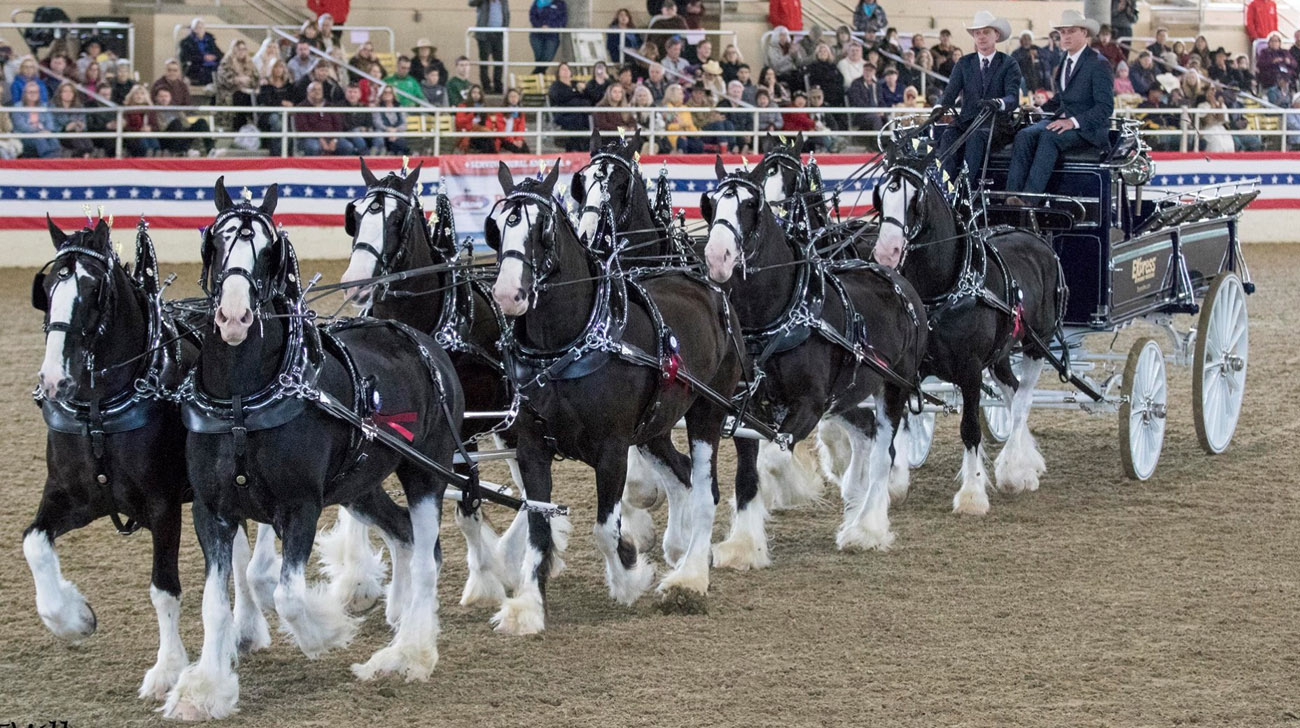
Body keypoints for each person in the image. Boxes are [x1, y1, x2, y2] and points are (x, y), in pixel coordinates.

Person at [1005, 10, 1114, 198]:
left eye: (1071, 31)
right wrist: (1041, 109)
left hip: (1088, 130)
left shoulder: (1098, 63)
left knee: (1049, 136)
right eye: (1063, 32)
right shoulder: (1065, 59)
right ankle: (1010, 197)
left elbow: (1105, 107)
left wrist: (1072, 122)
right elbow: (1061, 98)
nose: (1065, 36)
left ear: (1085, 33)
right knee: (1023, 135)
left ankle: (1029, 200)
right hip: (1062, 123)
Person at [933, 12, 1022, 180]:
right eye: (977, 33)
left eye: (986, 32)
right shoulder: (964, 63)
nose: (981, 37)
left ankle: (965, 188)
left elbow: (1013, 98)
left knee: (976, 136)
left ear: (996, 35)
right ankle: (945, 188)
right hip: (966, 122)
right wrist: (939, 108)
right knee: (948, 135)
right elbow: (949, 94)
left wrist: (999, 102)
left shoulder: (1009, 64)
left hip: (996, 126)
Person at [296, 81, 358, 156]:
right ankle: (314, 167)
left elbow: (338, 124)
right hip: (310, 138)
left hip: (331, 137)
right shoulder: (302, 107)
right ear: (308, 92)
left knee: (347, 146)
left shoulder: (330, 105)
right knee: (314, 147)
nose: (317, 92)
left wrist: (334, 140)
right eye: (314, 90)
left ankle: (338, 167)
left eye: (319, 90)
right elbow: (303, 127)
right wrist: (320, 139)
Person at [153, 86, 211, 156]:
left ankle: (211, 150)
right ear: (156, 98)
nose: (164, 99)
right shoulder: (154, 110)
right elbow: (160, 127)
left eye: (166, 96)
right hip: (165, 137)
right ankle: (182, 151)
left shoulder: (175, 109)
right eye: (161, 96)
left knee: (201, 122)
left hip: (181, 134)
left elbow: (186, 124)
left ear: (170, 97)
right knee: (176, 123)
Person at [11, 81, 61, 157]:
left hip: (43, 133)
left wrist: (47, 130)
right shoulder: (18, 107)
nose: (33, 94)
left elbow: (50, 122)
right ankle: (48, 160)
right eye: (30, 92)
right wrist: (39, 131)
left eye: (36, 92)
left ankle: (58, 158)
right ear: (25, 94)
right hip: (26, 136)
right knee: (40, 138)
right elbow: (21, 126)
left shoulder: (44, 106)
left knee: (53, 137)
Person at [216, 39, 258, 129]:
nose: (242, 52)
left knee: (256, 98)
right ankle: (239, 127)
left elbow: (256, 79)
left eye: (244, 49)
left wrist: (249, 81)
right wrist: (238, 80)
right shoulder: (225, 63)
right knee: (241, 98)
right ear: (234, 50)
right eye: (239, 49)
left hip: (248, 92)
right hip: (231, 92)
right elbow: (225, 80)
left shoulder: (250, 63)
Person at [469, 0, 509, 94]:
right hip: (484, 34)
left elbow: (506, 14)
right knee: (484, 61)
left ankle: (498, 85)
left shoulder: (504, 1)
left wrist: (506, 28)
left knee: (499, 61)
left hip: (498, 34)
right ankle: (486, 86)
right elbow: (471, 3)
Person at [548, 62, 589, 151]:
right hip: (563, 115)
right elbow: (560, 98)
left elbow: (587, 99)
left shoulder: (576, 84)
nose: (565, 71)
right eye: (562, 69)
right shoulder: (555, 86)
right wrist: (576, 93)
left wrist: (583, 90)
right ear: (558, 73)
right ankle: (576, 150)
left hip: (580, 114)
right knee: (577, 120)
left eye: (567, 69)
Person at [257, 58, 294, 154]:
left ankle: (285, 153)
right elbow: (266, 101)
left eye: (280, 67)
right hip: (269, 114)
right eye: (275, 67)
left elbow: (293, 100)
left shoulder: (289, 86)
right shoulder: (266, 85)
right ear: (271, 69)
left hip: (287, 114)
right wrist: (282, 103)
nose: (278, 69)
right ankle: (277, 154)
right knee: (277, 122)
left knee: (287, 124)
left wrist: (290, 105)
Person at [49, 81, 94, 158]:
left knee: (89, 145)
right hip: (61, 134)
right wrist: (66, 128)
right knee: (80, 144)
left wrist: (81, 125)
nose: (68, 94)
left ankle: (84, 158)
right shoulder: (53, 107)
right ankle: (82, 159)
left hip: (78, 133)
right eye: (65, 91)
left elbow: (84, 124)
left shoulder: (79, 107)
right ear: (60, 93)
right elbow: (52, 126)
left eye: (71, 91)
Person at [121, 84, 163, 157]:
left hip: (148, 135)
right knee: (143, 141)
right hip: (133, 136)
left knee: (154, 142)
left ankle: (155, 155)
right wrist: (139, 129)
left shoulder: (151, 110)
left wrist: (150, 128)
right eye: (136, 94)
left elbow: (156, 126)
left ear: (146, 96)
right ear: (132, 96)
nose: (139, 96)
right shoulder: (126, 110)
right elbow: (125, 126)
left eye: (142, 94)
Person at [179, 19, 222, 86]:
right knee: (214, 76)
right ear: (193, 30)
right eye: (196, 28)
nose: (199, 30)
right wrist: (203, 58)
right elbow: (185, 58)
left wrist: (215, 56)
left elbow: (220, 53)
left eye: (201, 27)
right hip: (198, 68)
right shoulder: (186, 43)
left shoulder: (210, 40)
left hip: (214, 66)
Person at [529, 0, 567, 73]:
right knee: (539, 59)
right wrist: (540, 26)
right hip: (537, 35)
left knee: (547, 58)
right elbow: (532, 16)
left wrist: (550, 26)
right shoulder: (537, 2)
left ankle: (532, 78)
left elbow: (563, 20)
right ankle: (539, 79)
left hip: (552, 36)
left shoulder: (560, 3)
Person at [456, 84, 496, 152]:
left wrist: (482, 123)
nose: (476, 95)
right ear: (470, 94)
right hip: (469, 134)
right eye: (474, 92)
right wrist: (472, 114)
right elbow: (459, 122)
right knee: (486, 143)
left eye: (478, 93)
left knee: (488, 142)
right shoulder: (463, 106)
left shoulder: (484, 107)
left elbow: (489, 123)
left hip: (482, 133)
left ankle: (492, 160)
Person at [372, 85, 411, 156]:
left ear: (393, 94)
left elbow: (404, 124)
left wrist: (395, 130)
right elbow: (377, 122)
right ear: (382, 94)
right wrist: (388, 130)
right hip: (383, 133)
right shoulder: (377, 107)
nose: (387, 94)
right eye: (385, 92)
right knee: (379, 137)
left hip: (397, 133)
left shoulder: (399, 107)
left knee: (400, 142)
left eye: (390, 92)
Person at [661, 82, 701, 151]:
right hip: (672, 137)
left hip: (686, 134)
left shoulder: (685, 108)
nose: (683, 96)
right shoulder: (666, 108)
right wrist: (682, 124)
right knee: (682, 142)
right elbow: (668, 127)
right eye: (680, 94)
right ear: (673, 95)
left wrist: (696, 132)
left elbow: (690, 124)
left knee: (698, 144)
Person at [765, 26, 804, 91]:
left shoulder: (790, 45)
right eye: (781, 35)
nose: (783, 38)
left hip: (793, 72)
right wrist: (789, 56)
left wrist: (796, 54)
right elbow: (776, 65)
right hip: (780, 74)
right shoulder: (772, 49)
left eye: (785, 35)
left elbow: (799, 63)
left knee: (803, 77)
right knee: (792, 80)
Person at [847, 62, 881, 129]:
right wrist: (872, 111)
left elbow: (881, 100)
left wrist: (883, 111)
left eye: (870, 70)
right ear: (863, 70)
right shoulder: (856, 83)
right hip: (862, 114)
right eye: (866, 70)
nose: (868, 72)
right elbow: (857, 101)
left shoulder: (877, 85)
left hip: (877, 113)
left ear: (874, 72)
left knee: (893, 118)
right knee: (876, 118)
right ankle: (878, 139)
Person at [497, 87, 530, 152]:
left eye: (515, 97)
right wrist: (512, 141)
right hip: (504, 138)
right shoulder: (501, 112)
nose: (513, 99)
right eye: (511, 97)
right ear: (507, 98)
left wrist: (519, 140)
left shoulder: (520, 112)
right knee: (517, 149)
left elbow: (521, 127)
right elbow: (501, 130)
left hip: (516, 138)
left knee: (526, 150)